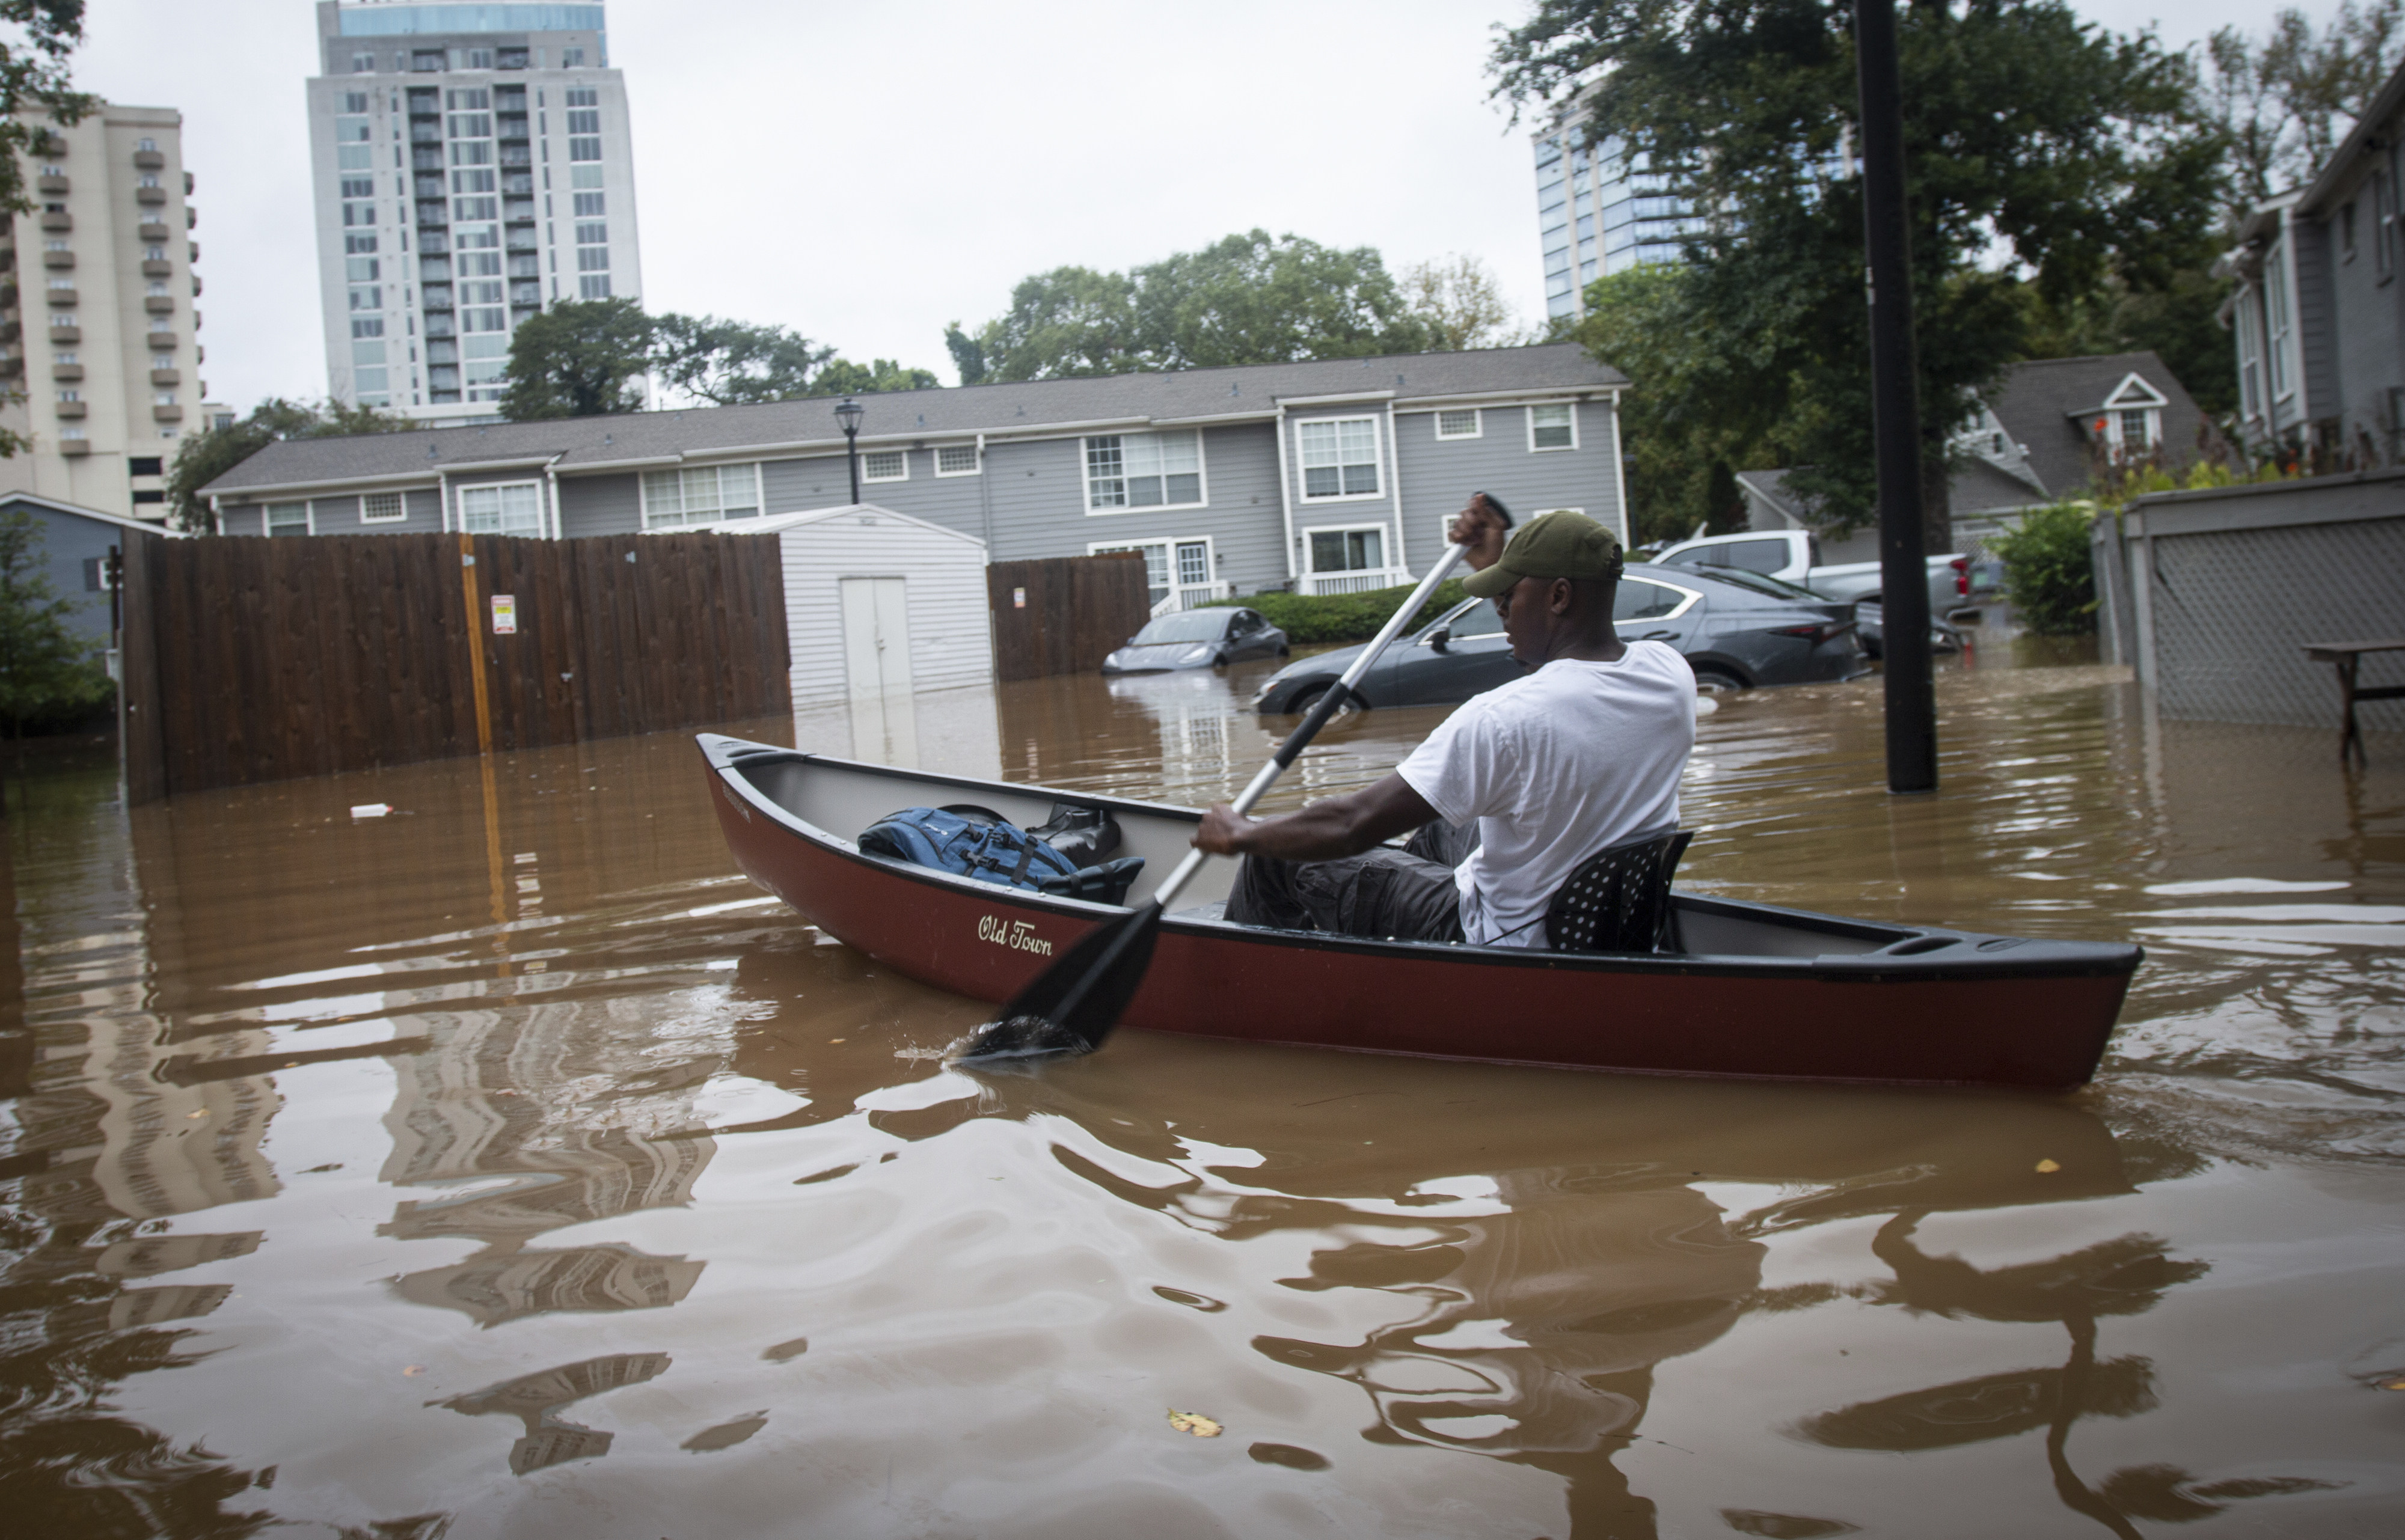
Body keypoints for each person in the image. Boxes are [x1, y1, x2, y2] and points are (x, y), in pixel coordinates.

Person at [1192, 500, 1695, 949]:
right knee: (1442, 815)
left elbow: (1352, 825)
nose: (1499, 612)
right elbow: (1570, 682)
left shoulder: (1501, 718)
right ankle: (1379, 926)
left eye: (1508, 596)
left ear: (1559, 597)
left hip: (1502, 936)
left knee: (1277, 851)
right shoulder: (1668, 672)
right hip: (1596, 920)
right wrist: (1501, 568)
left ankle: (1245, 974)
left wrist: (1241, 833)